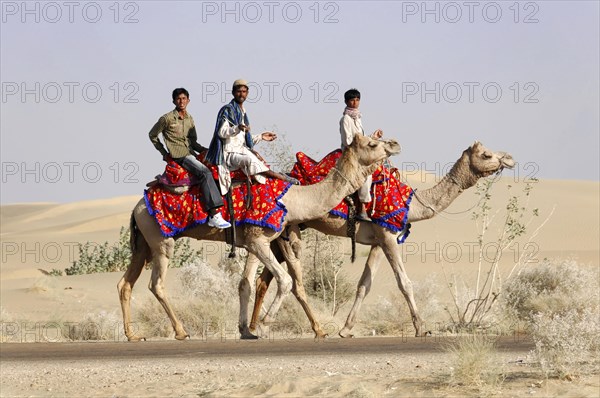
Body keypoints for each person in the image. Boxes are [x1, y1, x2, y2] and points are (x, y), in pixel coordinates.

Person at [149, 88, 231, 229]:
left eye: (184, 98)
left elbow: (193, 142)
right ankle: (214, 214)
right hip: (180, 155)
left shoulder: (189, 118)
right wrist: (164, 153)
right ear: (174, 101)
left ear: (188, 100)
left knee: (219, 165)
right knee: (205, 172)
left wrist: (207, 151)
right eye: (178, 99)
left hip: (191, 152)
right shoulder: (166, 118)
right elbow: (152, 135)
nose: (181, 101)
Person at [206, 79, 299, 195]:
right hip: (229, 155)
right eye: (239, 91)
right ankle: (282, 177)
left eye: (244, 91)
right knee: (250, 161)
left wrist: (261, 136)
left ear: (247, 93)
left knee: (259, 159)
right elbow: (222, 132)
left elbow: (243, 140)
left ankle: (277, 179)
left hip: (241, 150)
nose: (241, 94)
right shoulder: (227, 110)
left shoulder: (243, 112)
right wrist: (237, 128)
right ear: (233, 93)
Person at [340, 88, 384, 221]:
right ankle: (363, 209)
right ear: (346, 101)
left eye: (357, 100)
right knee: (366, 174)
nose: (355, 102)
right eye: (352, 100)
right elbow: (347, 140)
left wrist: (373, 137)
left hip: (360, 152)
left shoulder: (358, 118)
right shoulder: (345, 119)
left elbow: (362, 138)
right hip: (351, 154)